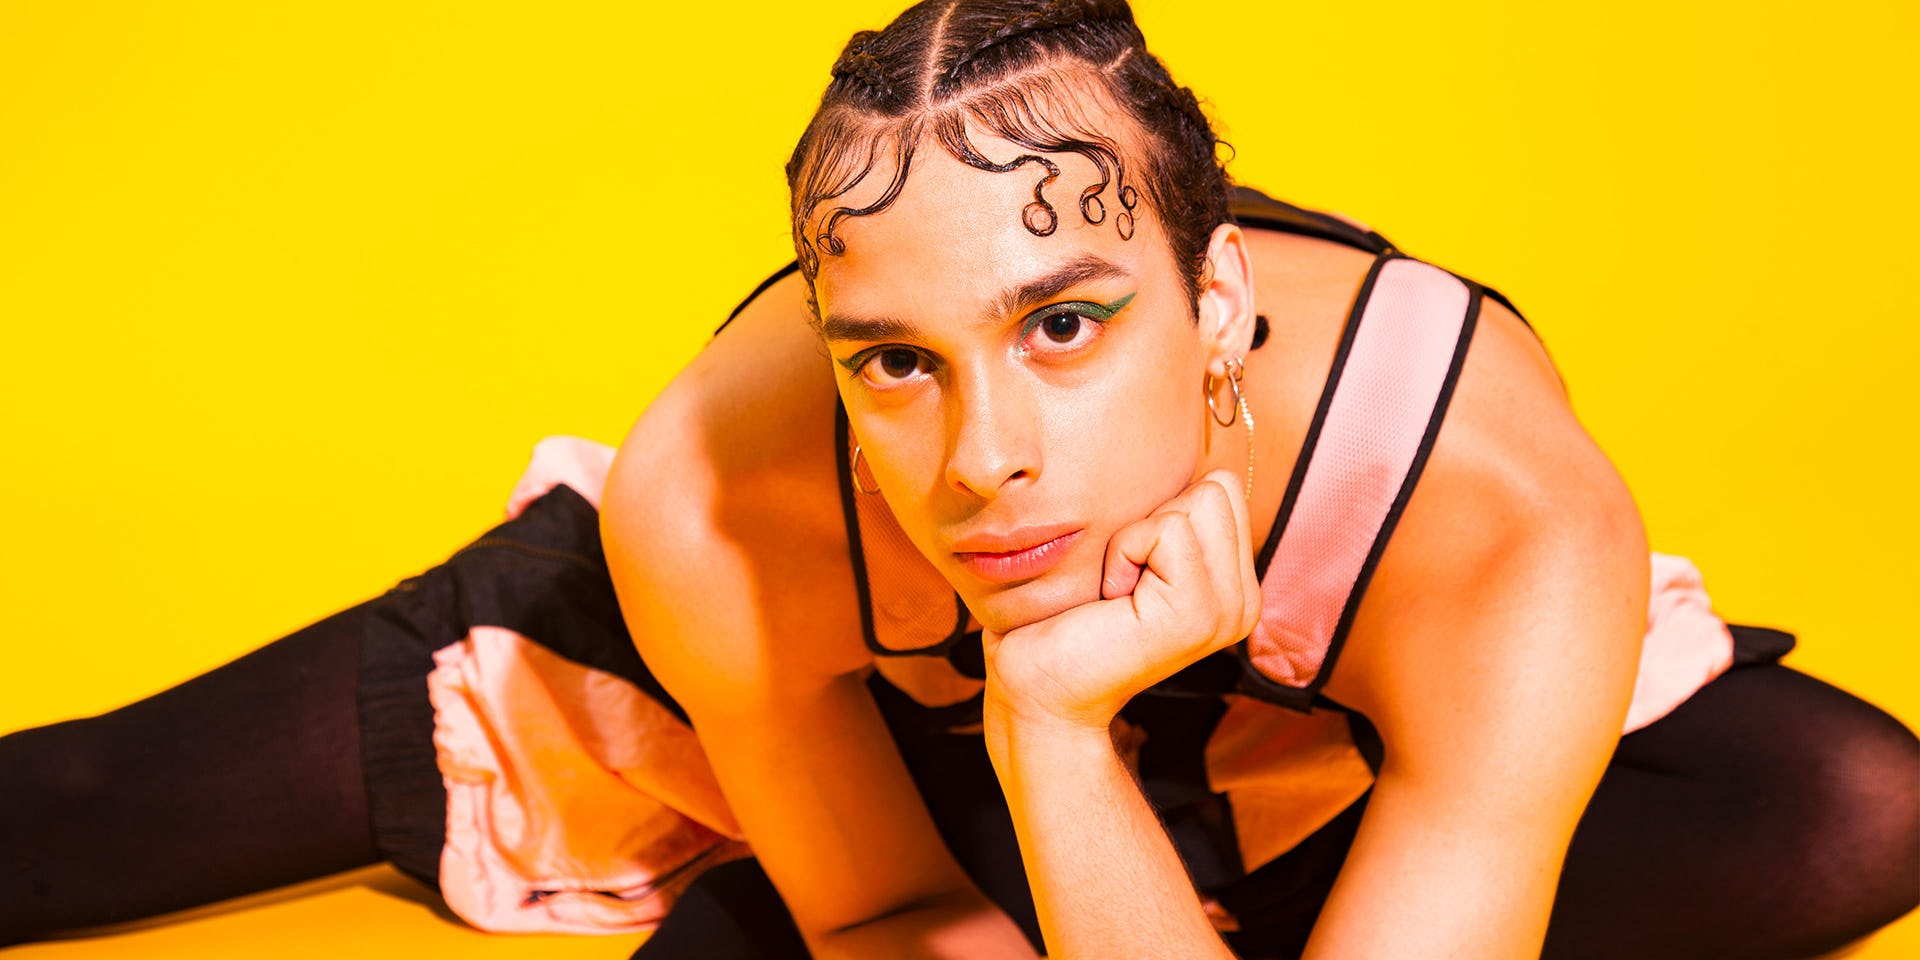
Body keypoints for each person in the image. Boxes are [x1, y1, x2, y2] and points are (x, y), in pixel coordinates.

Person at [3, 1, 1915, 958]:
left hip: (1282, 760)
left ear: (1215, 297)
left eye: (1064, 324)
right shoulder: (715, 497)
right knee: (78, 815)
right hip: (815, 728)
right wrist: (1048, 726)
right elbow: (884, 917)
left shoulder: (1497, 517)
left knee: (1845, 805)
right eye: (893, 363)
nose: (983, 457)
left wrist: (1083, 745)